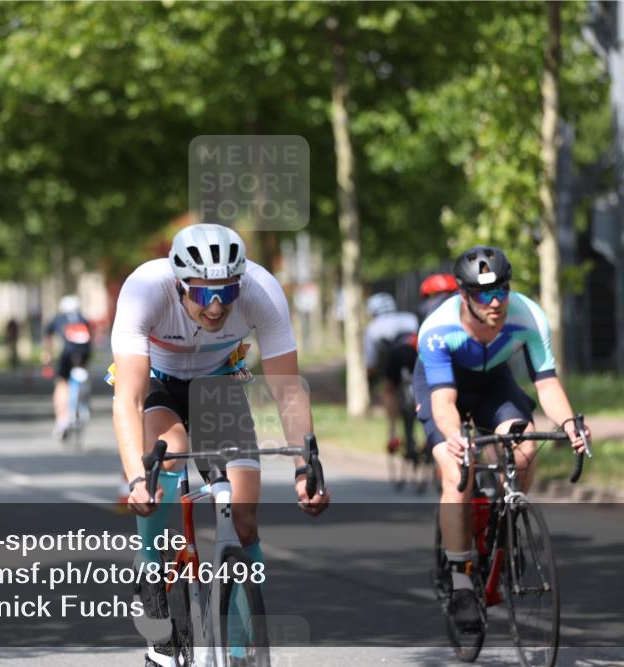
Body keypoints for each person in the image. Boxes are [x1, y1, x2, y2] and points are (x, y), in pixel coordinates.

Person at [109, 223, 330, 667]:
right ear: (178, 284)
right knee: (168, 456)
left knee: (244, 518)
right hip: (158, 383)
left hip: (219, 384)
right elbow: (128, 398)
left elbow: (287, 390)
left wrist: (308, 467)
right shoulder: (144, 291)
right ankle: (150, 566)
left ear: (240, 284)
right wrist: (137, 477)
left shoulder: (261, 291)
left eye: (226, 294)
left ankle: (241, 646)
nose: (215, 307)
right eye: (202, 294)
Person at [413, 246, 592, 635]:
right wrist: (454, 435)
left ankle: (507, 528)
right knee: (456, 465)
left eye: (502, 291)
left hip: (495, 383)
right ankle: (461, 581)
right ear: (464, 295)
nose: (495, 302)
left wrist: (569, 424)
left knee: (525, 448)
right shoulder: (438, 330)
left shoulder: (529, 316)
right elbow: (443, 403)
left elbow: (546, 384)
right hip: (444, 387)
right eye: (483, 294)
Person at [363, 292, 419, 456]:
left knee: (388, 390)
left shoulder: (372, 328)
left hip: (395, 356)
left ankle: (393, 434)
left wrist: (370, 380)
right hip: (415, 353)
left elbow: (371, 362)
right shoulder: (410, 318)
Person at [42, 294, 92, 439]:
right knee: (86, 375)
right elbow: (90, 340)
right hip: (84, 355)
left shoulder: (59, 319)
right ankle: (85, 403)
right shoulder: (83, 319)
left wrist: (47, 354)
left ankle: (62, 419)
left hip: (66, 355)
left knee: (61, 383)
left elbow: (48, 337)